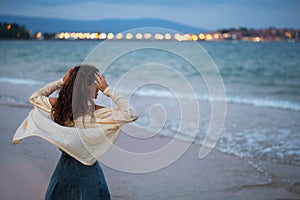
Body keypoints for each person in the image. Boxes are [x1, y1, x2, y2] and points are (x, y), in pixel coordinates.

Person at [13, 64, 138, 200]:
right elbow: (130, 114)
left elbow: (35, 97)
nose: (99, 89)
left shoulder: (59, 107)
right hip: (87, 168)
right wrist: (108, 89)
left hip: (64, 167)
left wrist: (61, 82)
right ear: (86, 86)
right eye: (96, 83)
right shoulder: (95, 112)